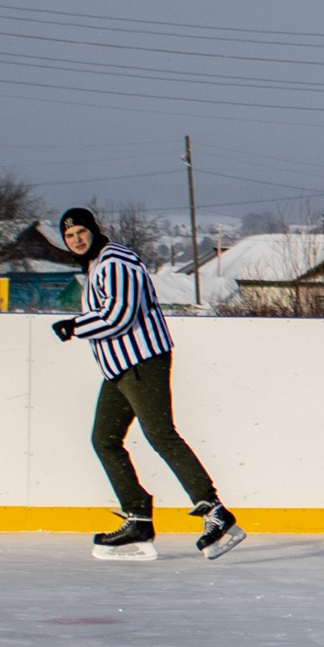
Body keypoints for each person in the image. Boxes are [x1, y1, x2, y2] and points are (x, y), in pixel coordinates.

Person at [50, 207, 244, 562]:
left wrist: (76, 326)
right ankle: (138, 517)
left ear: (94, 230)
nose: (76, 239)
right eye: (69, 235)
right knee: (104, 439)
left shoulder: (116, 261)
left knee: (160, 434)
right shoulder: (94, 266)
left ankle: (216, 512)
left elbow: (119, 316)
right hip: (119, 368)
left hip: (143, 362)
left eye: (81, 231)